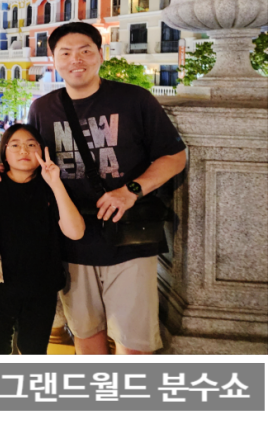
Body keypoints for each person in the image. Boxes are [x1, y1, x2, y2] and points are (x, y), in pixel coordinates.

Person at [26, 22, 187, 355]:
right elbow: (30, 161)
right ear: (53, 60)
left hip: (130, 239)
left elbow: (174, 157)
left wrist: (130, 190)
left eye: (85, 51)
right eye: (65, 53)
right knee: (86, 338)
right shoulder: (42, 109)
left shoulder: (134, 99)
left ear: (101, 54)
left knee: (134, 344)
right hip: (72, 242)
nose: (76, 60)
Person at [0, 124, 84, 354]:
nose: (23, 151)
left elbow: (76, 232)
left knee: (33, 351)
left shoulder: (50, 188)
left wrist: (55, 183)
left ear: (41, 150)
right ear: (4, 152)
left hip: (41, 288)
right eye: (15, 145)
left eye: (31, 145)